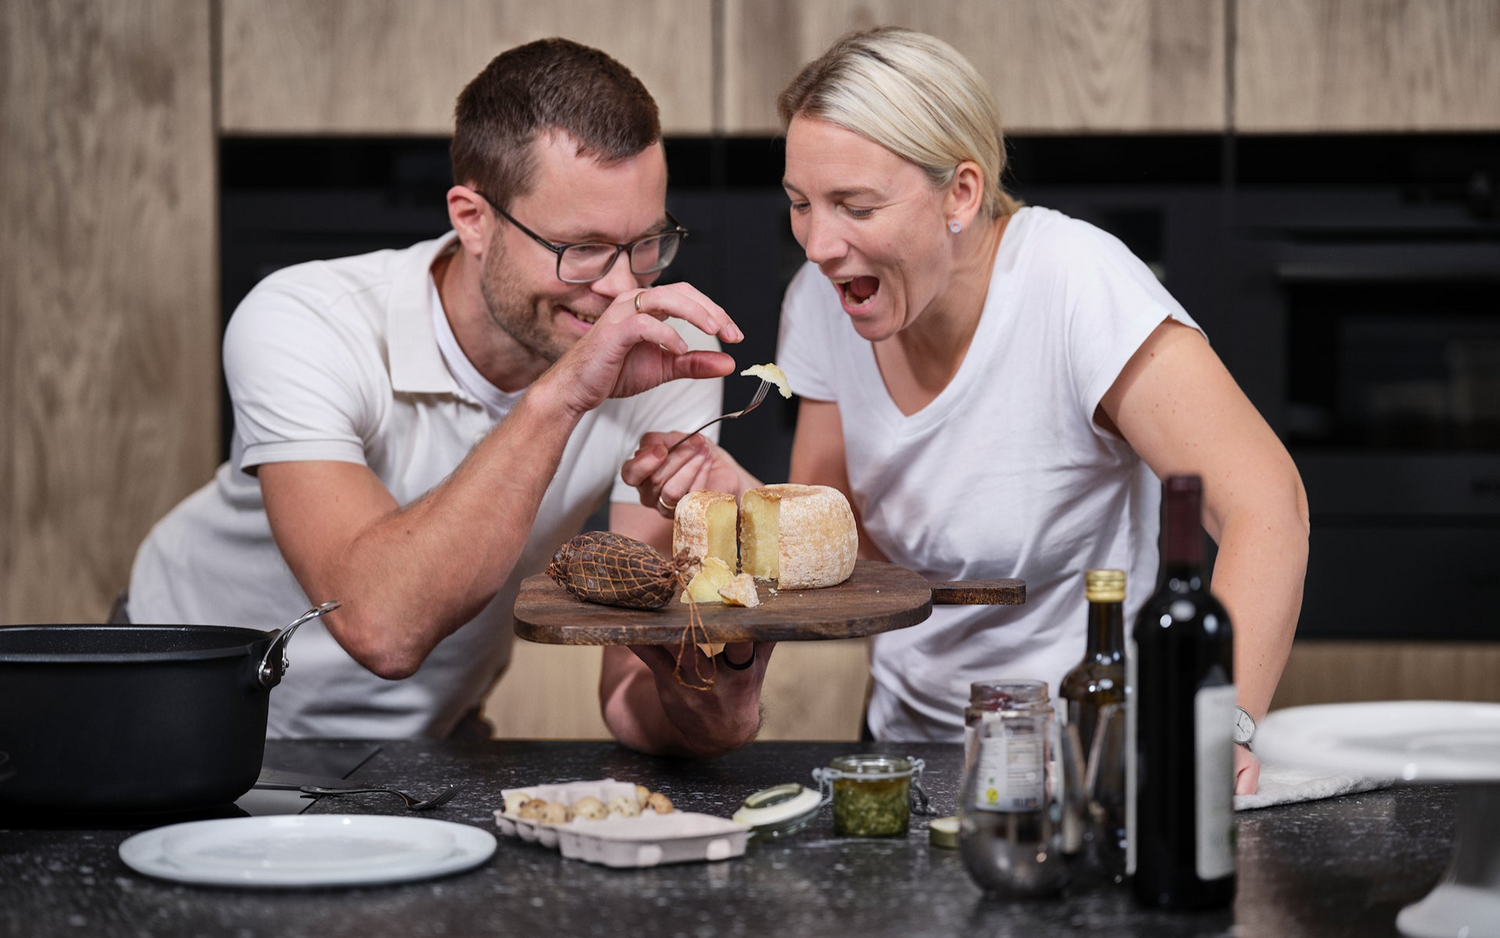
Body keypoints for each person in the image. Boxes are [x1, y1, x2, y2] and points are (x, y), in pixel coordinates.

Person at [624, 27, 1309, 792]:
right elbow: (838, 544)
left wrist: (1218, 728)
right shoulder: (822, 303)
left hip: (1091, 760)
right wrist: (733, 490)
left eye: (854, 205)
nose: (818, 245)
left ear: (961, 192)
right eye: (800, 205)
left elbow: (1267, 507)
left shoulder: (1077, 286)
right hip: (905, 751)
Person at [124, 38, 767, 756]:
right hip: (176, 698)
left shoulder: (660, 350)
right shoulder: (304, 318)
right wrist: (561, 399)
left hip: (425, 744)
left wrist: (722, 692)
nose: (624, 289)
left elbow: (629, 699)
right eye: (580, 248)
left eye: (647, 242)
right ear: (473, 219)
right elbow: (382, 628)